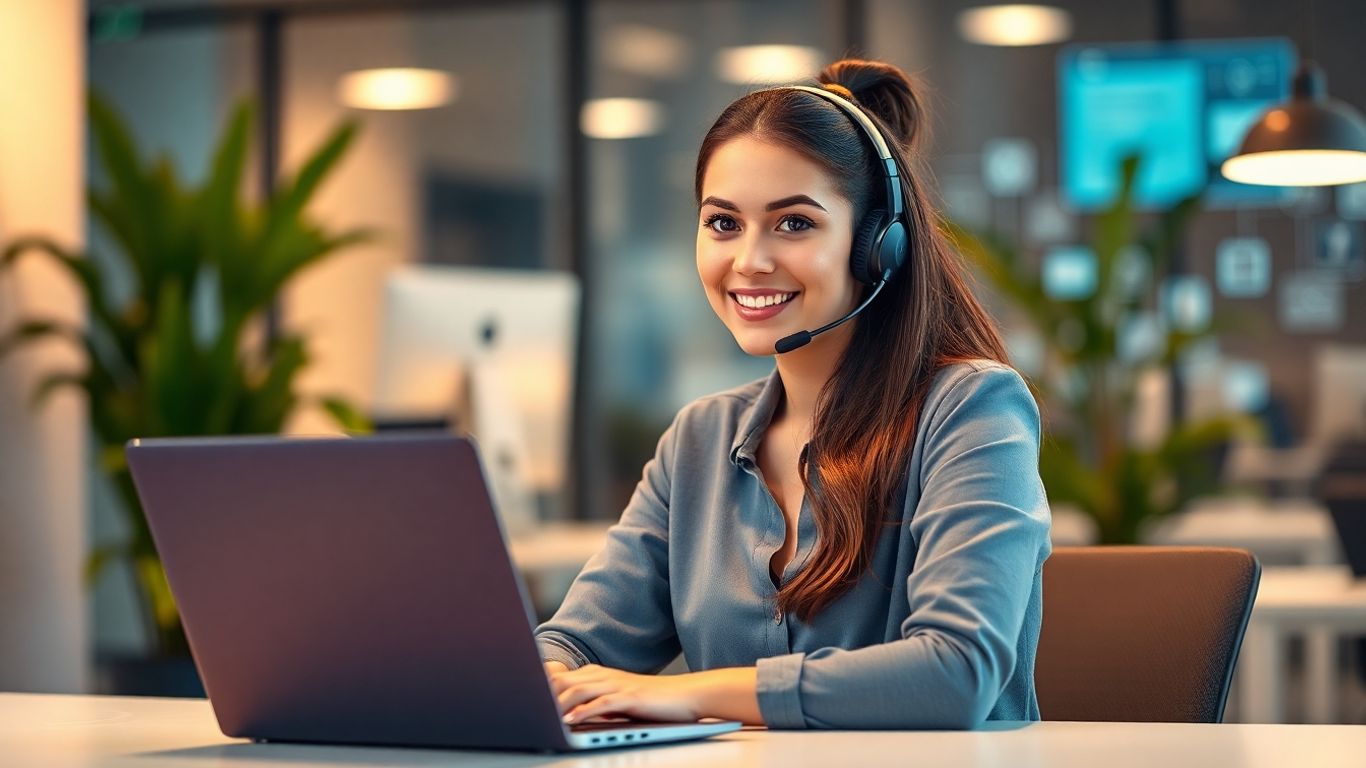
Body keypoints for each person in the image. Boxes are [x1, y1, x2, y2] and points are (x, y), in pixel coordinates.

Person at [535, 58, 1051, 730]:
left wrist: (690, 694)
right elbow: (578, 641)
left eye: (794, 223)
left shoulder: (972, 409)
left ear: (877, 247)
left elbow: (957, 672)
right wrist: (544, 676)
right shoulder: (700, 440)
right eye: (723, 223)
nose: (749, 260)